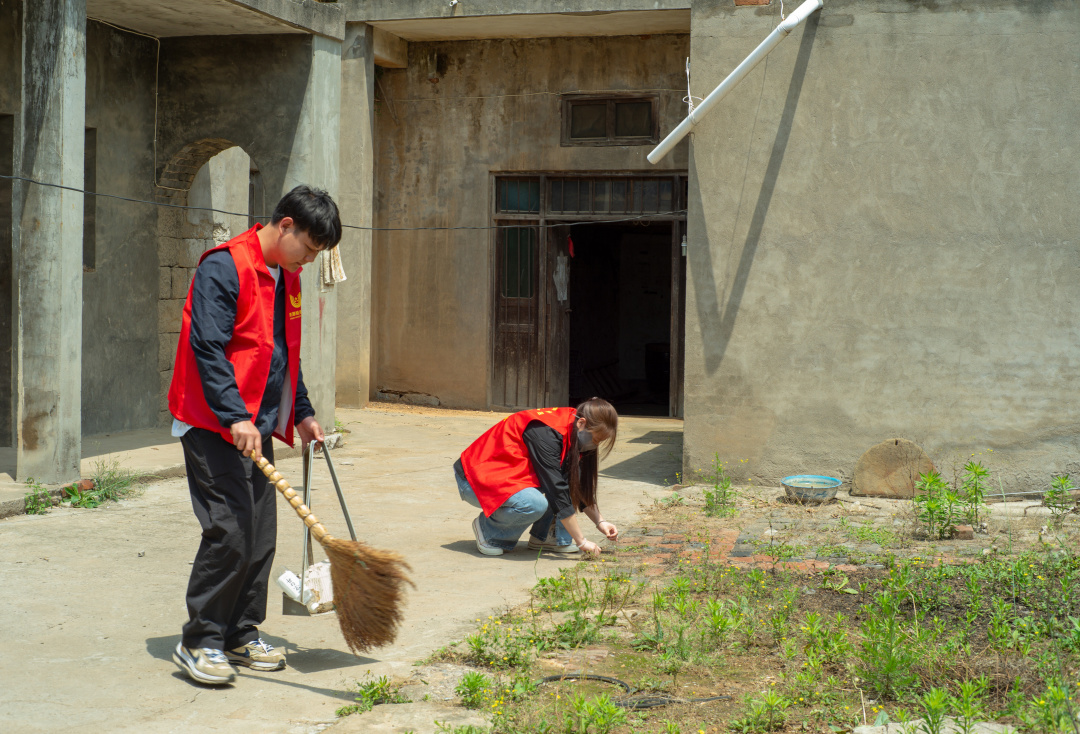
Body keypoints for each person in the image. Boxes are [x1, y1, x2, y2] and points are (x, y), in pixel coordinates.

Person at [167, 185, 340, 685]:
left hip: (254, 426)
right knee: (231, 532)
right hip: (211, 423)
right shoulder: (224, 267)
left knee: (260, 537)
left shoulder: (287, 276)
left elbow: (283, 353)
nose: (309, 260)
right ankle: (199, 640)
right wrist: (233, 415)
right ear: (285, 226)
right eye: (309, 247)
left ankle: (240, 633)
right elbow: (207, 346)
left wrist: (301, 412)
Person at [454, 397, 619, 558]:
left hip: (509, 477)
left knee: (565, 478)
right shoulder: (545, 432)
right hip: (473, 479)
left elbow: (577, 484)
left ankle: (545, 536)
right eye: (595, 439)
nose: (595, 445)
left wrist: (600, 522)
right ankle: (489, 531)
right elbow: (556, 489)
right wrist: (581, 541)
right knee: (534, 504)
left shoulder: (573, 426)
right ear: (581, 423)